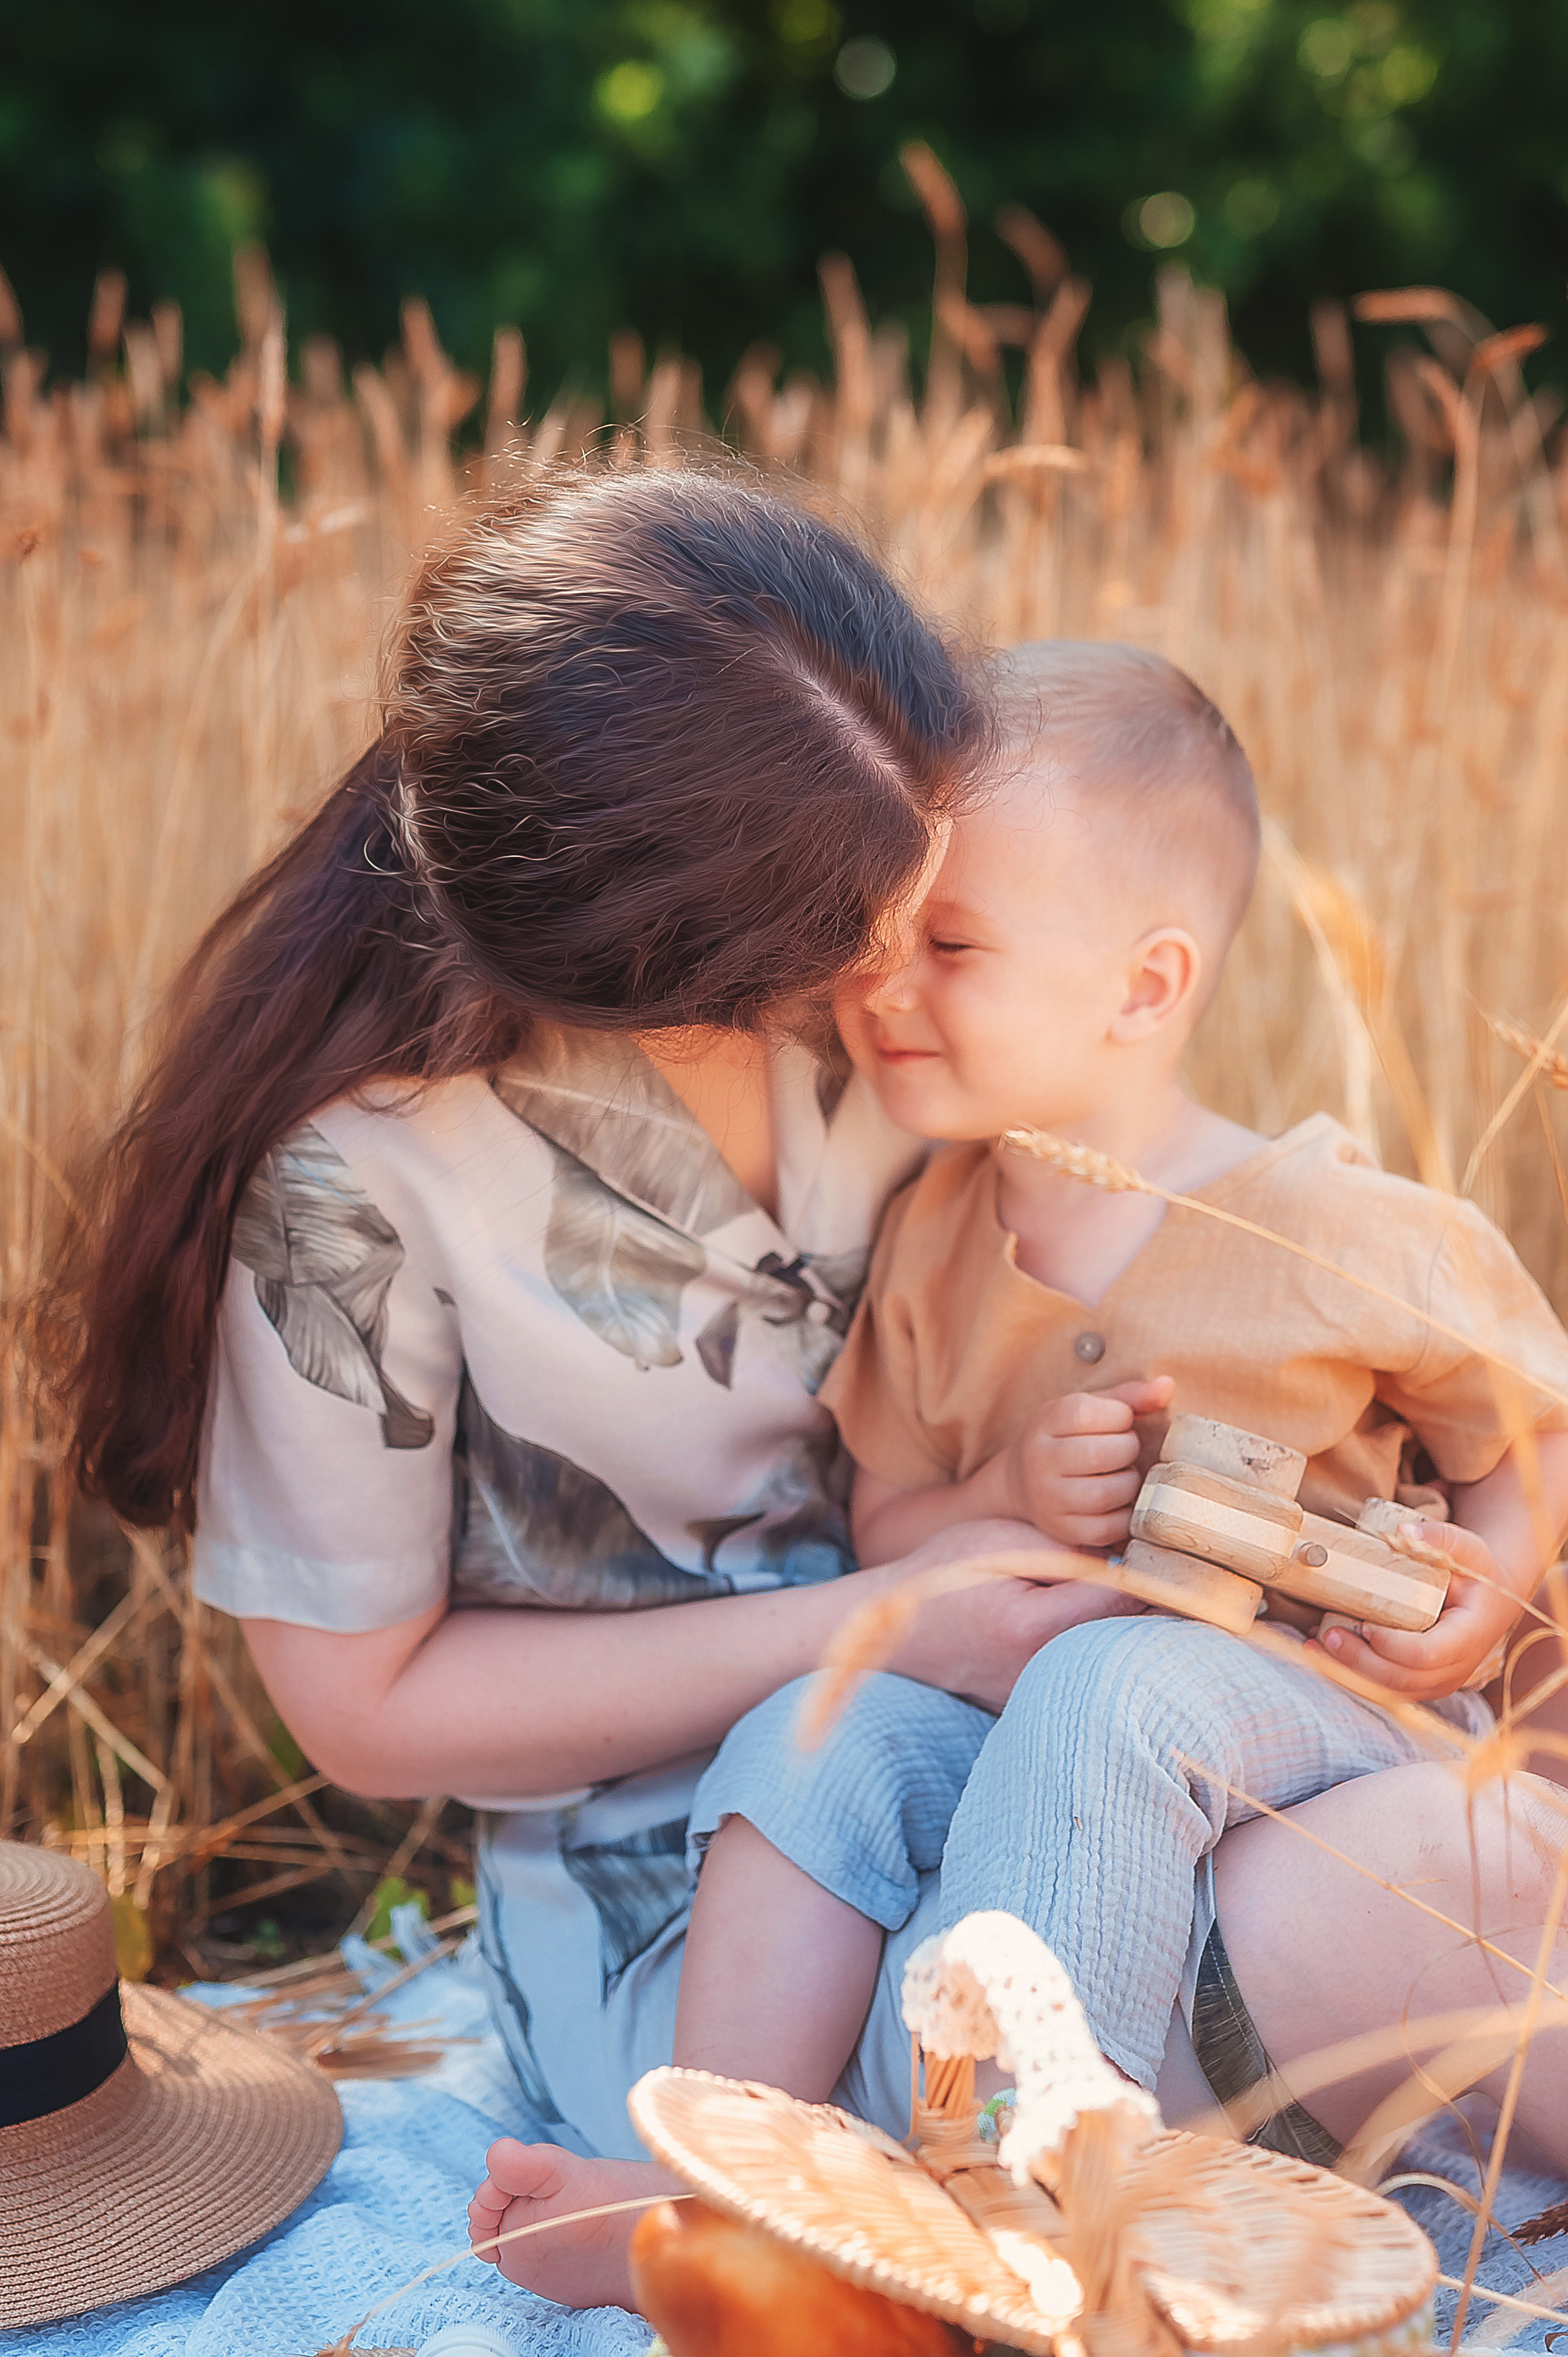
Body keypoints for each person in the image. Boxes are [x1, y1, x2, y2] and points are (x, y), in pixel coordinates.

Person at [47, 490, 1564, 2322]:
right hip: (712, 1899)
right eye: (837, 932)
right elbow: (362, 1711)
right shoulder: (357, 1191)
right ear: (663, 946)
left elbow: (1249, 1298)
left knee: (1426, 1853)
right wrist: (882, 1619)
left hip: (1056, 1767)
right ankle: (839, 2197)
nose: (875, 976)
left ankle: (890, 2219)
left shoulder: (928, 1024)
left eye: (921, 908)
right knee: (1411, 1886)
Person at [469, 638, 1568, 2302]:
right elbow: (886, 1519)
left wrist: (1475, 1592)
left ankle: (1013, 2197)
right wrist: (992, 1515)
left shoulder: (1337, 1228)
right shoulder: (935, 1241)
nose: (880, 989)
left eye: (952, 946)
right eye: (874, 942)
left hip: (1318, 1724)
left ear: (1142, 984)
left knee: (1119, 1683)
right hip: (1029, 1730)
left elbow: (1532, 1441)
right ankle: (734, 2172)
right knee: (816, 1720)